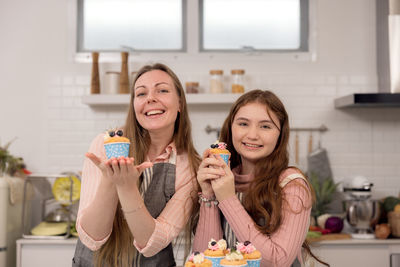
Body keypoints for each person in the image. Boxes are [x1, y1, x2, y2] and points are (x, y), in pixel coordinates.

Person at [73, 63, 201, 267]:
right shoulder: (105, 145)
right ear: (134, 106)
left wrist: (126, 187)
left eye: (162, 90)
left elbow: (152, 243)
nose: (150, 98)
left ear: (180, 104)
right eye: (141, 94)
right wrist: (110, 180)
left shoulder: (190, 167)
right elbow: (92, 238)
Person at [193, 90, 328, 267]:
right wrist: (209, 195)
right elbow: (206, 260)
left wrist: (227, 198)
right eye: (243, 124)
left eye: (265, 126)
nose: (252, 135)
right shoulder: (222, 180)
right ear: (230, 128)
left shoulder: (292, 185)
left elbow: (276, 261)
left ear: (280, 135)